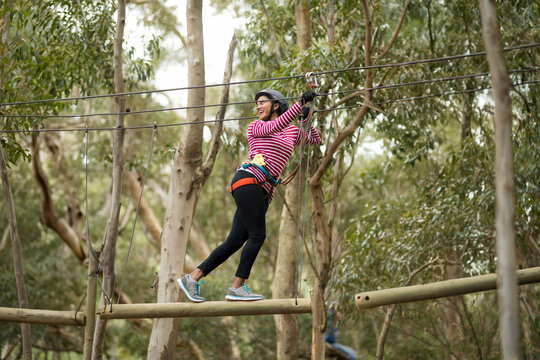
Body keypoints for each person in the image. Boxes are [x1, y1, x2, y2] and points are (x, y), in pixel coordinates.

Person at [178, 88, 321, 302]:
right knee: (257, 235)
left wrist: (305, 118)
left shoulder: (290, 131)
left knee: (235, 241)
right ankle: (238, 286)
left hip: (263, 191)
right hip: (249, 180)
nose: (258, 107)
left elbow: (314, 139)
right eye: (257, 104)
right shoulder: (256, 126)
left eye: (263, 102)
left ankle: (193, 277)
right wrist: (299, 106)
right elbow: (277, 124)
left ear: (276, 105)